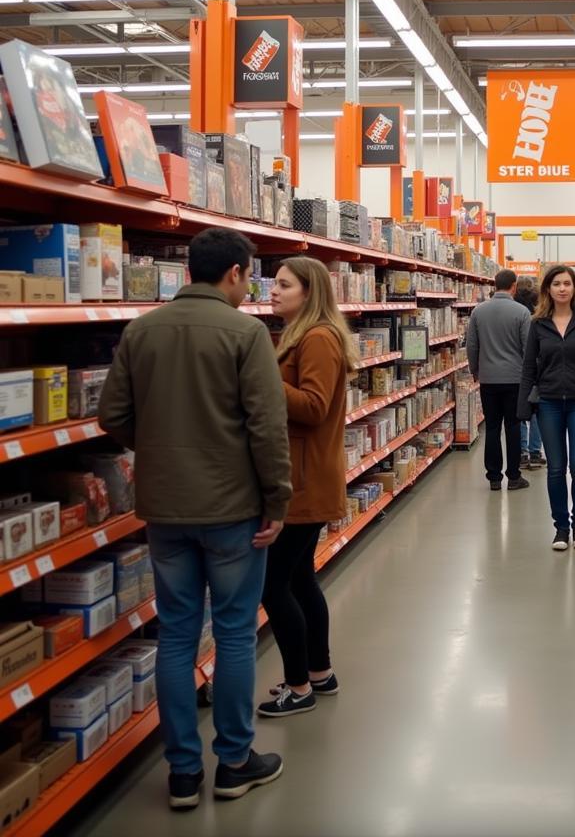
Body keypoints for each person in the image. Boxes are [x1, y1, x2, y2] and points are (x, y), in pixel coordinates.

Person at [98, 227, 291, 810]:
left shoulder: (141, 330)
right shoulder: (246, 332)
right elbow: (266, 426)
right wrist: (277, 500)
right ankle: (234, 762)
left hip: (165, 511)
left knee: (177, 635)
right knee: (234, 633)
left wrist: (157, 447)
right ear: (234, 273)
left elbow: (113, 415)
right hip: (234, 509)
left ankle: (183, 773)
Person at [257, 257, 358, 718]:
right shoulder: (300, 335)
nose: (273, 290)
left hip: (302, 480)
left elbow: (314, 407)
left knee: (274, 586)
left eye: (284, 284)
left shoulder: (317, 338)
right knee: (299, 580)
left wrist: (258, 379)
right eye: (273, 283)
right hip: (307, 475)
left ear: (309, 291)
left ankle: (299, 687)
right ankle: (321, 672)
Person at [518, 265, 575, 551]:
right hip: (549, 403)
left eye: (567, 283)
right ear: (548, 289)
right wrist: (523, 407)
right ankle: (561, 528)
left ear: (574, 288)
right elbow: (528, 368)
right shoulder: (538, 324)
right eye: (556, 283)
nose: (562, 288)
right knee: (556, 469)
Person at [467, 269, 532, 492]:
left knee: (492, 427)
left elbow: (472, 345)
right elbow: (528, 348)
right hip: (515, 379)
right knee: (514, 426)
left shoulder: (478, 311)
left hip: (488, 379)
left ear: (494, 285)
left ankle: (494, 477)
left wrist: (475, 370)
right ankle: (514, 477)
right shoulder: (522, 312)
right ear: (514, 286)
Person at [514, 277, 545, 471]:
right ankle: (535, 452)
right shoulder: (538, 307)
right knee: (536, 411)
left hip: (514, 370)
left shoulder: (514, 306)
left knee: (519, 412)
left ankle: (522, 453)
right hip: (535, 367)